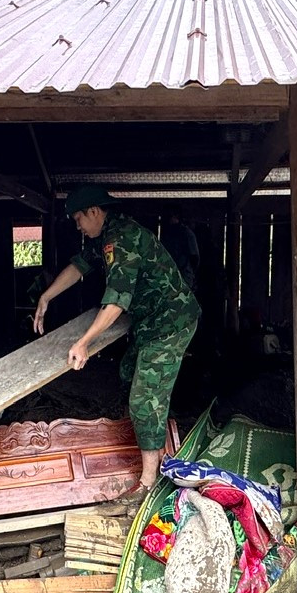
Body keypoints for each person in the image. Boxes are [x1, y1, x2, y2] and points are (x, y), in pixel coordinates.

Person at [33, 186, 200, 503]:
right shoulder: (107, 235)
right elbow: (79, 266)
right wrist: (46, 296)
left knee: (144, 396)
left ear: (93, 211)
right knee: (128, 374)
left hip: (171, 321)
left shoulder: (122, 239)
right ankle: (144, 439)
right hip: (150, 321)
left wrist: (84, 342)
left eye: (79, 219)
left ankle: (149, 481)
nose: (79, 226)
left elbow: (116, 303)